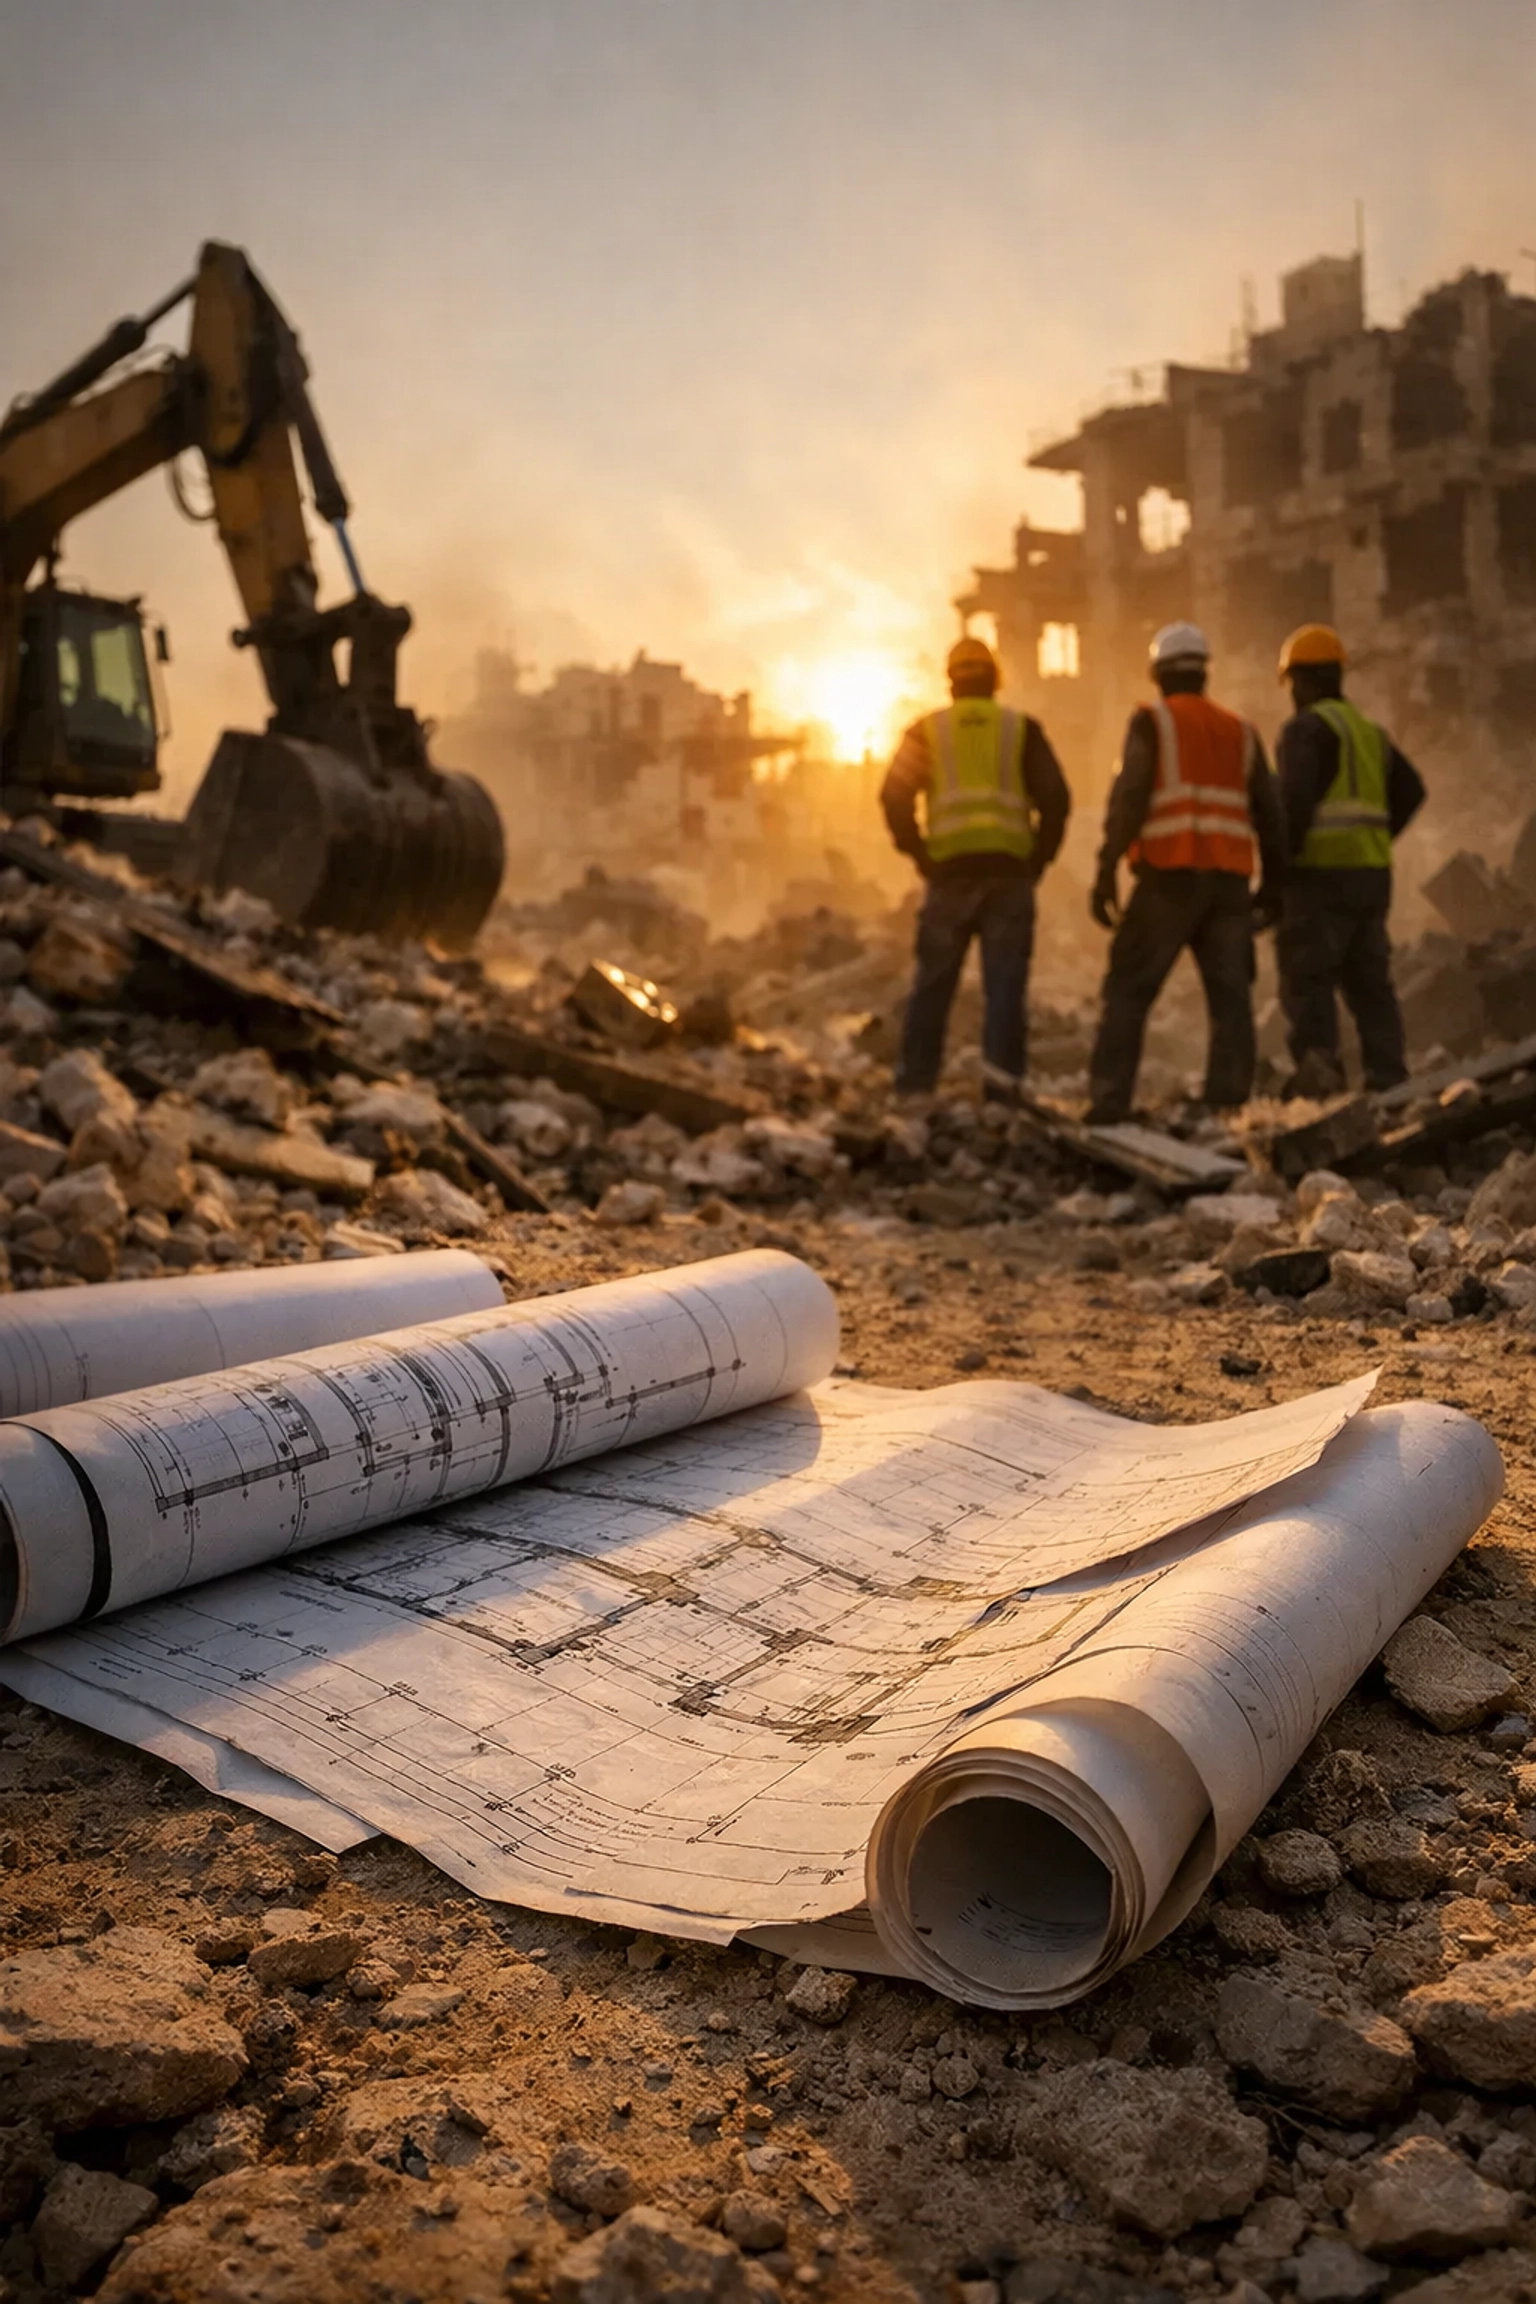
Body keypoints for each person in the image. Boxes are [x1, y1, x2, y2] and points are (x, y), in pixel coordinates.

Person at [1086, 621, 1285, 1123]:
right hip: (1229, 882)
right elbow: (1271, 812)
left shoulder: (1152, 722)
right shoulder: (1241, 731)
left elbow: (1128, 798)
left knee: (1129, 987)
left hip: (1168, 877)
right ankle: (1229, 1104)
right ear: (1204, 673)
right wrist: (1275, 886)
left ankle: (1110, 1102)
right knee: (1231, 997)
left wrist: (1106, 867)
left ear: (1157, 673)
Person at [881, 635, 1070, 1098]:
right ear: (995, 680)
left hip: (949, 877)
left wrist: (920, 853)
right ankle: (1003, 1090)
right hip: (1008, 876)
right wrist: (1037, 859)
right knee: (1005, 989)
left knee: (932, 986)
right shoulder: (1020, 729)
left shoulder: (926, 731)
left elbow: (893, 795)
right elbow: (1057, 800)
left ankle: (915, 1086)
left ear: (950, 682)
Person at [1273, 623, 1426, 1095]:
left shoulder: (1306, 729)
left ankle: (1321, 1085)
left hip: (1321, 879)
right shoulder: (1369, 732)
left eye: (1294, 684)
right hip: (1371, 877)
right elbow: (1412, 790)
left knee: (1309, 978)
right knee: (1370, 983)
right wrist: (1375, 839)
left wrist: (1276, 875)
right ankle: (1389, 1079)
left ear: (1303, 681)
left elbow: (1292, 809)